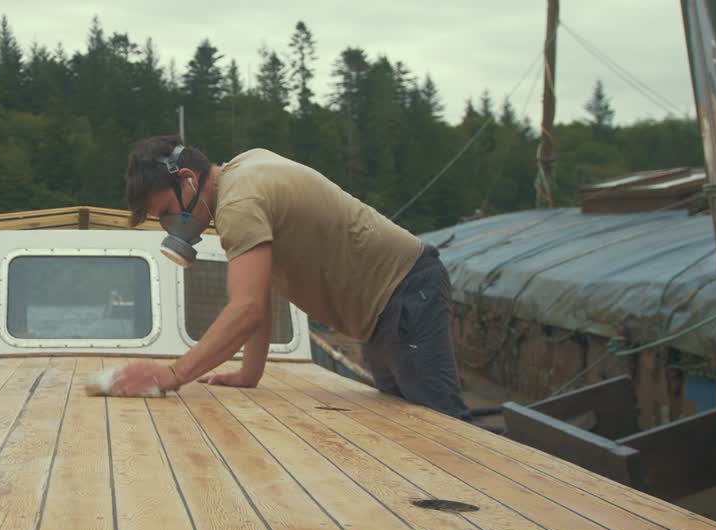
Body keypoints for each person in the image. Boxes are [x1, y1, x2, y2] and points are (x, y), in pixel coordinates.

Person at [108, 135, 470, 420]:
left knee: (439, 426)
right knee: (405, 418)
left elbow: (246, 308)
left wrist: (173, 374)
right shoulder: (244, 168)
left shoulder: (237, 204)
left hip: (405, 292)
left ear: (187, 179)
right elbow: (260, 295)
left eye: (168, 212)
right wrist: (250, 374)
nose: (171, 224)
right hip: (384, 308)